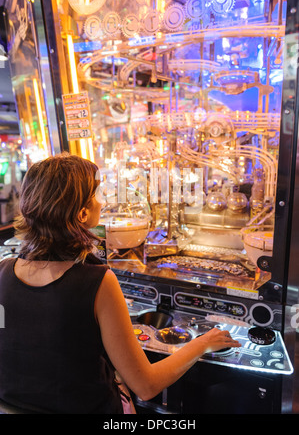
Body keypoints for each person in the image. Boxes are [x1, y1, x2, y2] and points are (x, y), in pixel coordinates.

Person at [0, 153, 241, 414]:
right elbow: (146, 385)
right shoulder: (97, 282)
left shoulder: (2, 272)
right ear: (82, 213)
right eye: (97, 194)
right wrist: (202, 343)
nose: (103, 203)